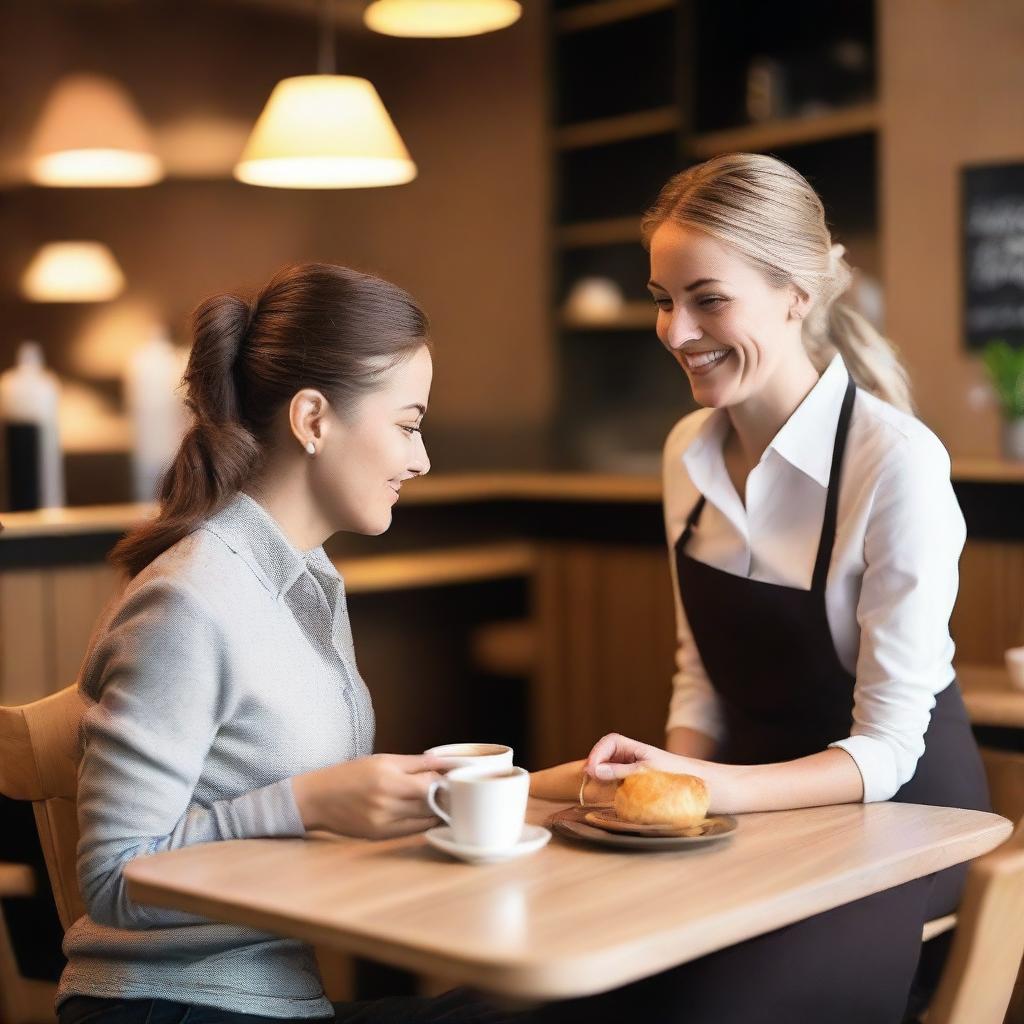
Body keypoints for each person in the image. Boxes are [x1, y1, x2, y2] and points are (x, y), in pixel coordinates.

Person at [532, 153, 989, 1024]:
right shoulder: (686, 453)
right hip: (751, 821)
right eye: (664, 299)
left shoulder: (896, 465)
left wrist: (703, 790)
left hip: (905, 832)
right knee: (570, 983)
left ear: (796, 296)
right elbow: (699, 674)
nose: (675, 331)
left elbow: (888, 753)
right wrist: (666, 808)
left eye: (708, 298)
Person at [56, 263, 506, 1024]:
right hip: (168, 1007)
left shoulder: (303, 581)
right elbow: (112, 879)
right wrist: (307, 804)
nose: (421, 458)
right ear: (313, 420)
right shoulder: (190, 600)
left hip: (273, 1002)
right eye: (407, 423)